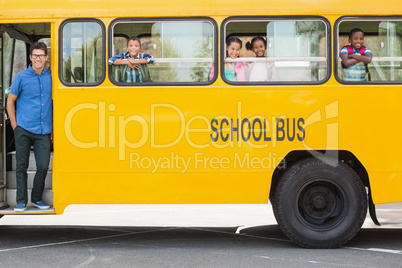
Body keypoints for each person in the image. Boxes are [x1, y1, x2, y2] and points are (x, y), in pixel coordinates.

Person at [7, 42, 53, 212]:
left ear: (46, 58)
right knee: (21, 166)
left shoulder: (51, 77)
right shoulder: (21, 77)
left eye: (41, 55)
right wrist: (14, 124)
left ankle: (36, 199)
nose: (38, 59)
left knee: (42, 165)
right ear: (30, 57)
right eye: (35, 56)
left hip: (43, 130)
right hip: (23, 129)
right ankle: (20, 201)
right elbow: (10, 101)